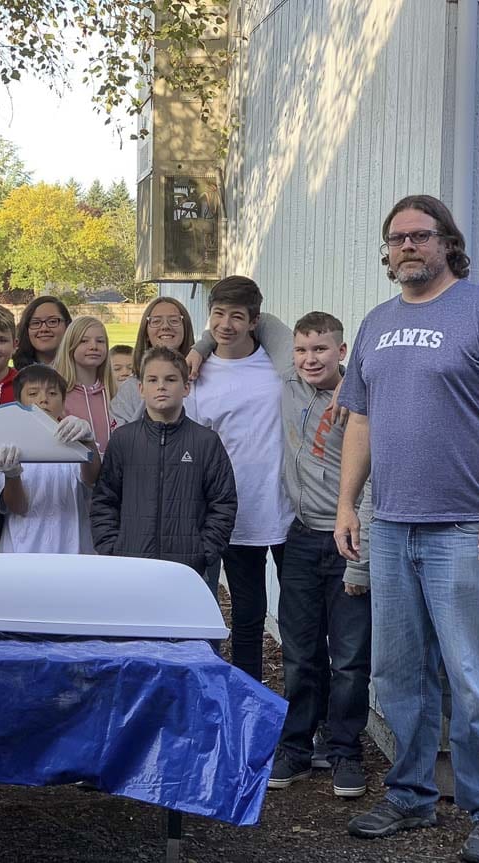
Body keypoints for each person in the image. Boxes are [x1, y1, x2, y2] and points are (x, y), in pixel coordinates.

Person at [336, 195, 479, 863]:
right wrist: (348, 506)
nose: (407, 248)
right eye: (396, 239)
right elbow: (360, 422)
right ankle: (410, 798)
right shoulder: (375, 324)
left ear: (446, 243)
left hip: (464, 526)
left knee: (472, 677)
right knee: (399, 675)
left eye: (420, 236)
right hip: (392, 525)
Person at [265, 312, 372, 799]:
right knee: (300, 650)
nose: (311, 359)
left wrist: (359, 558)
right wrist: (200, 349)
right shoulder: (289, 384)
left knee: (348, 656)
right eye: (303, 349)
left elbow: (373, 483)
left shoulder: (360, 404)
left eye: (321, 350)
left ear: (342, 352)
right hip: (301, 537)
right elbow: (262, 320)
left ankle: (346, 749)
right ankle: (296, 745)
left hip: (346, 538)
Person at [185, 276, 292, 683]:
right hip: (236, 512)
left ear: (254, 321)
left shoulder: (280, 363)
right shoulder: (198, 375)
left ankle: (305, 717)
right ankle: (250, 696)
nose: (225, 324)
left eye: (236, 316)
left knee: (299, 619)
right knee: (248, 615)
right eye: (217, 314)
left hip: (287, 510)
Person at [90, 347, 236, 577]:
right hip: (130, 564)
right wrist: (112, 549)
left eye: (170, 379)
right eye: (152, 380)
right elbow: (104, 500)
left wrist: (204, 552)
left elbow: (223, 503)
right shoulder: (123, 440)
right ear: (141, 389)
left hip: (187, 569)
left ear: (186, 387)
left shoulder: (205, 441)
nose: (161, 386)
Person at [0, 365, 100, 554]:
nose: (43, 399)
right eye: (33, 393)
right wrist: (12, 474)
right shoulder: (7, 446)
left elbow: (92, 481)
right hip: (22, 550)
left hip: (73, 550)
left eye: (52, 393)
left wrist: (88, 443)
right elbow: (17, 507)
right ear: (19, 401)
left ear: (63, 402)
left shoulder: (76, 438)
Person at [111, 296, 195, 425]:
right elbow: (118, 438)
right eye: (156, 321)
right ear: (146, 332)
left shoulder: (200, 377)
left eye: (174, 320)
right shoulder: (130, 389)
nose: (165, 326)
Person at [53, 316, 117, 456]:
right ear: (70, 346)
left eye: (100, 341)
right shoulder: (58, 395)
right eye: (84, 341)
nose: (94, 346)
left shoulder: (115, 393)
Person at [13, 296, 71, 368]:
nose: (44, 329)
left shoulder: (83, 371)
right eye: (36, 323)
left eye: (52, 321)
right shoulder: (15, 376)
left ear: (67, 325)